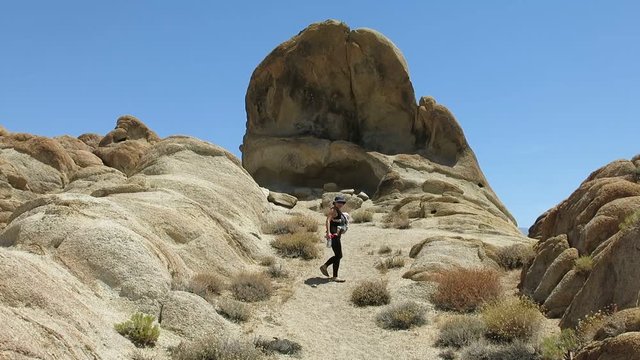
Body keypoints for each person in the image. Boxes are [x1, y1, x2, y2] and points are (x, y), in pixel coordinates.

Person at [320, 196, 348, 282]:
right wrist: (328, 232)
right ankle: (326, 267)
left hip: (337, 236)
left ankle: (334, 275)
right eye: (339, 202)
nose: (340, 204)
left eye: (342, 203)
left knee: (338, 256)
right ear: (335, 202)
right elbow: (328, 220)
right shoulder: (333, 210)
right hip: (334, 236)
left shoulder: (338, 210)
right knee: (339, 255)